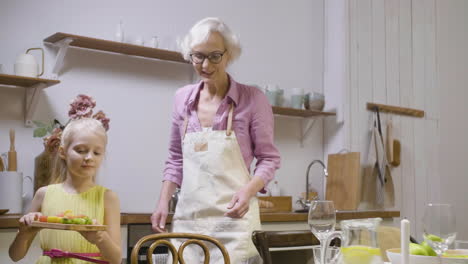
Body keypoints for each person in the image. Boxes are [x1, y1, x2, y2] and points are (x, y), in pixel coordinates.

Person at [151, 17, 281, 263]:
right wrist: (162, 202)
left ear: (229, 55)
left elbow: (269, 158)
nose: (205, 64)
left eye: (214, 56)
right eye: (197, 56)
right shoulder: (182, 99)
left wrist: (248, 191)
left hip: (234, 221)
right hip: (189, 221)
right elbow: (175, 159)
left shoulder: (252, 99)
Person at [9, 118, 121, 264]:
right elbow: (15, 256)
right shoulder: (43, 194)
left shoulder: (108, 198)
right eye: (81, 150)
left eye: (97, 152)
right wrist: (23, 234)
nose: (89, 157)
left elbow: (116, 259)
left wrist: (100, 237)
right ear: (63, 152)